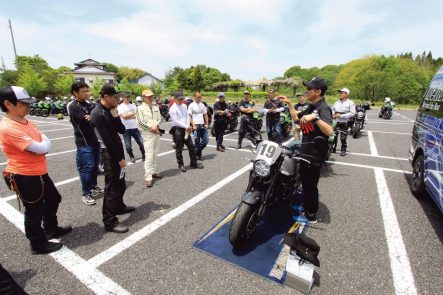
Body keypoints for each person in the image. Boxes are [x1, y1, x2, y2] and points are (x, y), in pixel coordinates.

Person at [0, 86, 72, 254]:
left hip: (38, 171)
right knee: (34, 211)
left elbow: (41, 142)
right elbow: (41, 146)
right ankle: (38, 244)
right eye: (23, 104)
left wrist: (42, 145)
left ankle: (50, 228)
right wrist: (43, 145)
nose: (28, 107)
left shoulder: (25, 121)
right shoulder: (8, 127)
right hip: (24, 174)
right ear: (8, 104)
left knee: (54, 198)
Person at [279, 77, 333, 224]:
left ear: (318, 91)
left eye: (309, 89)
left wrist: (315, 118)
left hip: (314, 155)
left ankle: (311, 214)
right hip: (306, 151)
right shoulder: (311, 106)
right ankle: (307, 206)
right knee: (305, 181)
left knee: (310, 185)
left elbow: (329, 130)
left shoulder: (323, 108)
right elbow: (296, 118)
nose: (306, 91)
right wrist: (290, 104)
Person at [90, 84, 135, 233]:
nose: (119, 99)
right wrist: (119, 159)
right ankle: (109, 221)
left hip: (116, 151)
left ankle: (119, 206)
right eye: (116, 97)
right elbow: (107, 140)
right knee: (112, 188)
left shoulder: (109, 111)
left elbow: (122, 130)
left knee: (121, 183)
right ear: (105, 97)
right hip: (109, 154)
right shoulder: (98, 114)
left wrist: (115, 116)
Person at [68, 82, 104, 205]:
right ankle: (86, 193)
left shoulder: (90, 104)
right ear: (75, 93)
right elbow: (88, 119)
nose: (87, 93)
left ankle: (93, 187)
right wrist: (93, 117)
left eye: (87, 90)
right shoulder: (73, 106)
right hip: (83, 142)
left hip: (95, 140)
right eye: (83, 91)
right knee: (87, 168)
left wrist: (93, 117)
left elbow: (98, 116)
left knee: (95, 167)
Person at [169, 91, 203, 172]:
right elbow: (176, 121)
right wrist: (186, 126)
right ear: (175, 99)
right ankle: (180, 164)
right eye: (179, 99)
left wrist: (188, 126)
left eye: (182, 99)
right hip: (177, 129)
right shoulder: (172, 109)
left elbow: (187, 116)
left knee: (191, 146)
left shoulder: (184, 105)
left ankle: (193, 163)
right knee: (179, 148)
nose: (181, 101)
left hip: (186, 128)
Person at [136, 89, 162, 188]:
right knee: (149, 155)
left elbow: (160, 119)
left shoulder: (156, 107)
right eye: (148, 96)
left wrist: (156, 126)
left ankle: (154, 171)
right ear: (143, 97)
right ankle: (148, 177)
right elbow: (139, 122)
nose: (151, 98)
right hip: (148, 134)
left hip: (156, 133)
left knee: (155, 153)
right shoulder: (140, 108)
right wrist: (151, 128)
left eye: (151, 96)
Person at [117, 92, 145, 163]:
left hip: (135, 127)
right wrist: (132, 114)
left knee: (141, 143)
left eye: (128, 97)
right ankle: (131, 156)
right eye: (126, 97)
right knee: (128, 146)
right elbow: (124, 116)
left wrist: (128, 115)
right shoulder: (120, 107)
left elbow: (137, 116)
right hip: (125, 129)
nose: (127, 98)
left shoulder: (133, 106)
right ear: (123, 98)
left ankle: (144, 155)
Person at [331, 88, 356, 156]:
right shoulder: (337, 102)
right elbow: (332, 109)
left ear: (346, 94)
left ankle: (343, 149)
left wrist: (341, 116)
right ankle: (333, 148)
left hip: (344, 122)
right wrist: (333, 114)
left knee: (343, 137)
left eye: (342, 93)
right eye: (340, 92)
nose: (340, 94)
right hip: (335, 121)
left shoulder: (350, 103)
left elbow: (352, 113)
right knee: (334, 135)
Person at [188, 91, 209, 160]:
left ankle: (196, 152)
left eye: (200, 97)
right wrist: (193, 125)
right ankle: (199, 155)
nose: (199, 98)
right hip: (195, 126)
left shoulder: (202, 105)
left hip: (202, 125)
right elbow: (189, 116)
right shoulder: (191, 105)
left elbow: (205, 115)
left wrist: (207, 124)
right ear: (194, 97)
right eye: (198, 97)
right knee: (197, 142)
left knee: (206, 140)